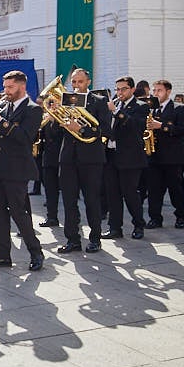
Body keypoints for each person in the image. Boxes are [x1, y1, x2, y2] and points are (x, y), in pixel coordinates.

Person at [0, 71, 44, 270]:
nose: (5, 91)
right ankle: (2, 255)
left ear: (22, 87)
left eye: (10, 87)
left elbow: (25, 137)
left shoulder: (33, 109)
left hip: (17, 169)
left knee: (18, 212)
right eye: (5, 87)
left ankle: (36, 252)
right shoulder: (4, 106)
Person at [57, 68, 112, 254]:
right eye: (73, 82)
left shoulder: (99, 101)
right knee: (69, 201)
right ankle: (72, 240)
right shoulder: (67, 101)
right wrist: (55, 116)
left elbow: (105, 129)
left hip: (91, 158)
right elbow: (58, 133)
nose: (76, 86)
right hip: (68, 158)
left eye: (80, 82)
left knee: (92, 200)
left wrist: (80, 129)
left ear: (88, 82)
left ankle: (95, 238)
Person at [103, 77, 149, 240]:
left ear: (132, 89)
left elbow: (135, 126)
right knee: (112, 194)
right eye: (117, 89)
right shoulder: (114, 104)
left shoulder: (141, 106)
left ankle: (138, 225)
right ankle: (115, 227)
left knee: (130, 193)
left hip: (130, 158)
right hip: (111, 155)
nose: (119, 92)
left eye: (123, 89)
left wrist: (116, 111)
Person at [146, 80, 184, 229]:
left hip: (172, 157)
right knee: (154, 191)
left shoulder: (180, 108)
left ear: (168, 91)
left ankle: (180, 217)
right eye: (154, 90)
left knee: (175, 189)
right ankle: (155, 218)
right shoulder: (151, 109)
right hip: (154, 156)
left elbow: (183, 130)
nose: (156, 93)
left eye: (159, 90)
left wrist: (162, 126)